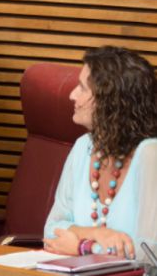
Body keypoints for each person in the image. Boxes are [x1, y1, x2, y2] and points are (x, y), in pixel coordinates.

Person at [44, 46, 157, 261]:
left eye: (82, 88)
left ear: (110, 100)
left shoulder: (151, 153)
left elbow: (151, 254)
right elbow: (51, 230)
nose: (72, 95)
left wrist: (83, 247)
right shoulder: (82, 147)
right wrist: (97, 234)